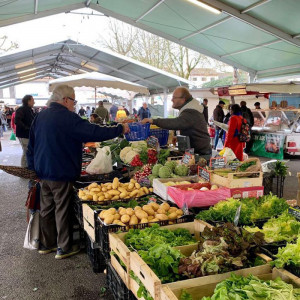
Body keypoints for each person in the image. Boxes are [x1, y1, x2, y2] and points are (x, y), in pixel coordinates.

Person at [27, 85, 129, 259]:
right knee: (62, 209)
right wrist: (119, 129)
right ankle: (64, 247)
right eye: (73, 100)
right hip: (61, 171)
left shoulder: (40, 116)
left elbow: (31, 146)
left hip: (42, 171)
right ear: (65, 100)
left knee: (47, 209)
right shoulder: (68, 117)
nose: (74, 104)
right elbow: (93, 132)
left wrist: (32, 170)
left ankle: (47, 244)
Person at [141, 87, 211, 160]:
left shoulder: (191, 112)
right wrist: (179, 137)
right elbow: (188, 127)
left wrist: (153, 121)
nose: (172, 100)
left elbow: (175, 123)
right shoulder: (190, 110)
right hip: (194, 152)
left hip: (201, 154)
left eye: (174, 97)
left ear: (183, 99)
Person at [15, 95, 35, 167]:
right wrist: (27, 128)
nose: (34, 102)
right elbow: (17, 121)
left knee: (27, 151)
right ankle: (24, 168)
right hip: (23, 134)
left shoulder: (30, 110)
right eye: (33, 100)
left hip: (27, 134)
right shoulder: (21, 109)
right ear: (28, 101)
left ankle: (26, 167)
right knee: (26, 151)